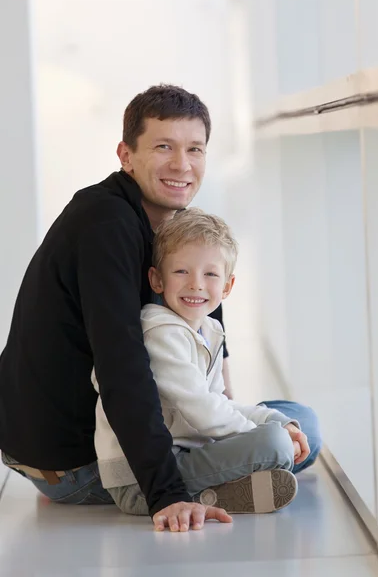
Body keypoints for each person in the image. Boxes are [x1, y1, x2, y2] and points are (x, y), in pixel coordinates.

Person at [0, 84, 322, 532]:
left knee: (301, 422)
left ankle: (234, 464)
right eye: (163, 147)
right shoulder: (106, 224)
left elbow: (211, 330)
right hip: (72, 462)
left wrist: (229, 419)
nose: (182, 165)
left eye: (195, 149)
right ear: (126, 155)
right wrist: (166, 494)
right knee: (280, 440)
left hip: (125, 431)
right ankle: (193, 484)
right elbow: (121, 367)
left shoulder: (173, 227)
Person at [93, 208, 308, 518]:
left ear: (227, 286)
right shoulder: (160, 331)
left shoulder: (210, 329)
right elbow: (204, 411)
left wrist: (275, 420)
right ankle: (216, 491)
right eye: (181, 272)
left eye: (210, 274)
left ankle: (253, 467)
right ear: (156, 279)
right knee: (275, 442)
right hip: (142, 481)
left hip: (190, 452)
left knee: (300, 430)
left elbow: (218, 402)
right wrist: (263, 435)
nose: (195, 284)